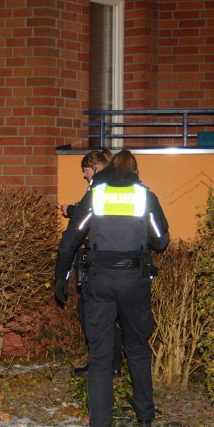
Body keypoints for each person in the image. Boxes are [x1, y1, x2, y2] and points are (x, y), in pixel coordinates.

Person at [54, 150, 169, 427]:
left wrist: (61, 275)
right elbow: (161, 240)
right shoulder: (144, 196)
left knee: (101, 354)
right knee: (138, 348)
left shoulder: (98, 194)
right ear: (135, 171)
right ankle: (144, 414)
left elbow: (71, 238)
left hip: (100, 279)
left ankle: (99, 426)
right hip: (134, 280)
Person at [61, 149, 124, 379]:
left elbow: (87, 213)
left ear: (95, 167)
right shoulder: (119, 183)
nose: (84, 176)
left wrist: (70, 210)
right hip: (122, 260)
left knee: (91, 311)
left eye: (85, 171)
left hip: (102, 261)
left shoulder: (99, 187)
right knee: (111, 315)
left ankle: (101, 361)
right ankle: (113, 362)